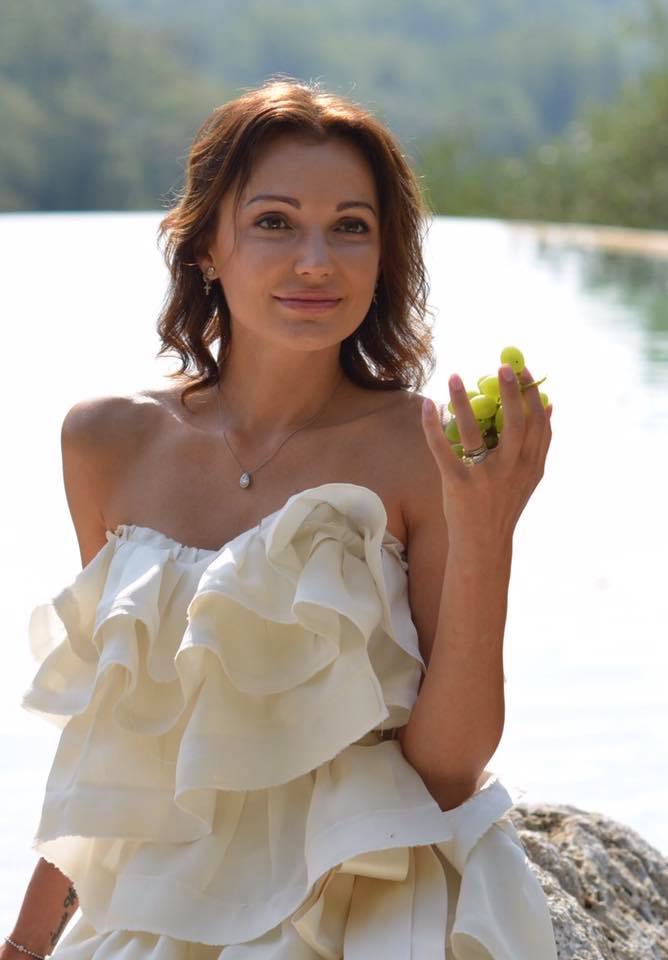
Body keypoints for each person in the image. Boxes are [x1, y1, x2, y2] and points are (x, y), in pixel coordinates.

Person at [5, 78, 556, 959]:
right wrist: (32, 939)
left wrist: (490, 531)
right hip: (161, 893)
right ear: (204, 246)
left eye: (351, 227)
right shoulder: (106, 441)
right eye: (274, 222)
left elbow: (448, 770)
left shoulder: (422, 449)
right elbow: (115, 738)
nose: (316, 262)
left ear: (384, 258)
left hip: (372, 885)